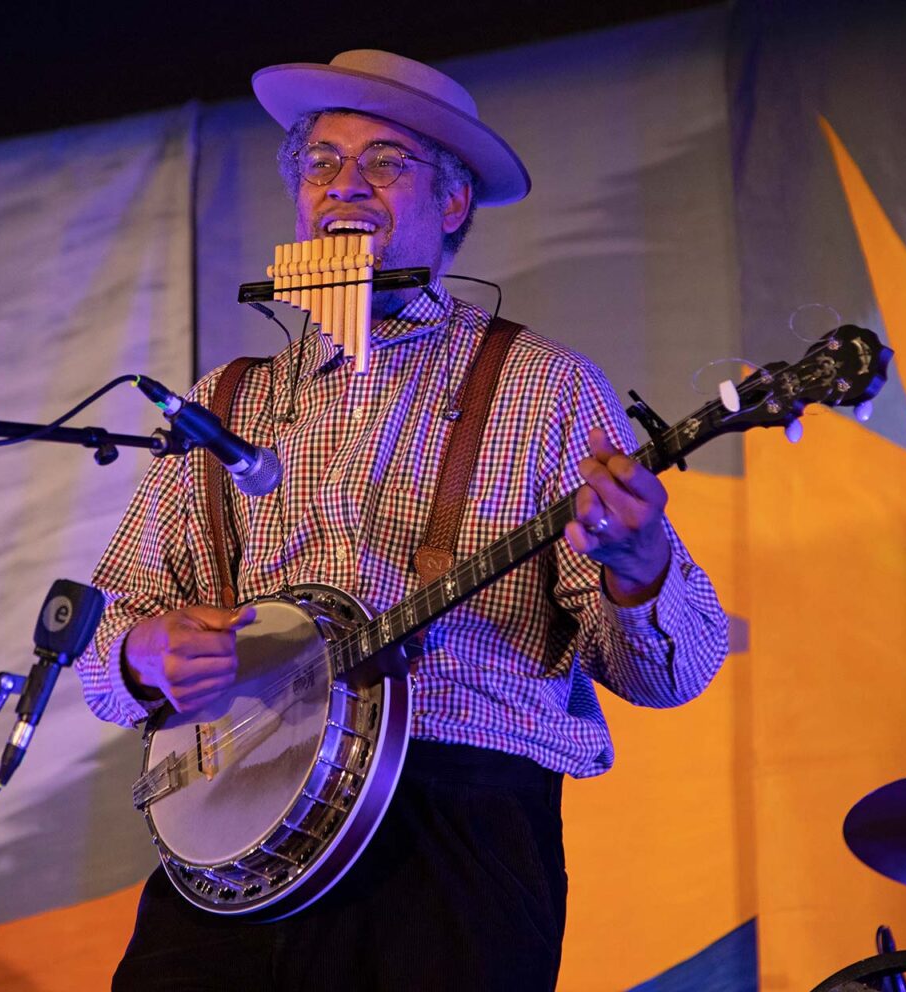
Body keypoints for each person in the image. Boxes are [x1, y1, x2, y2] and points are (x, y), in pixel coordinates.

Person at [77, 49, 729, 991]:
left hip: (453, 827)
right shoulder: (223, 401)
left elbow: (673, 672)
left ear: (453, 204)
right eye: (321, 163)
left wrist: (640, 562)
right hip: (232, 833)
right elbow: (106, 633)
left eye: (386, 162)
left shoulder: (542, 385)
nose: (347, 185)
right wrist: (142, 656)